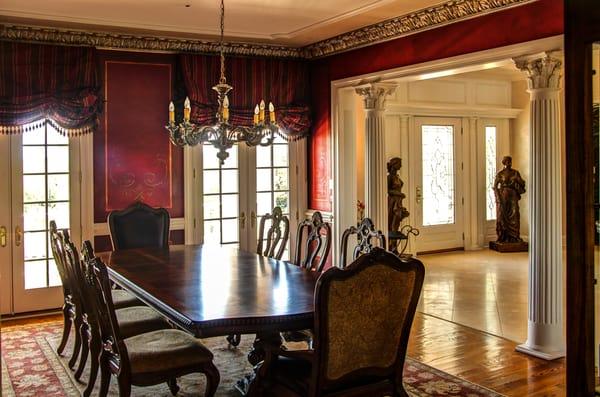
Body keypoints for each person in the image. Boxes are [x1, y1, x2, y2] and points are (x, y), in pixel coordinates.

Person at [493, 156, 526, 243]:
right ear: (504, 163)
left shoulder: (515, 173)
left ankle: (515, 237)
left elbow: (522, 183)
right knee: (502, 216)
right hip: (503, 197)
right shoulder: (500, 174)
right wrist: (498, 197)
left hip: (513, 196)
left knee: (515, 215)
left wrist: (518, 180)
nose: (509, 163)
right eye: (507, 161)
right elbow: (495, 186)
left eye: (510, 161)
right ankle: (503, 236)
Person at [387, 157, 409, 236]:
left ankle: (394, 246)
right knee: (392, 220)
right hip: (393, 201)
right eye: (399, 164)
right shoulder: (390, 177)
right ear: (394, 165)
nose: (401, 166)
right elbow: (388, 190)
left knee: (397, 221)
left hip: (398, 201)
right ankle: (391, 243)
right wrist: (398, 194)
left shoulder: (397, 176)